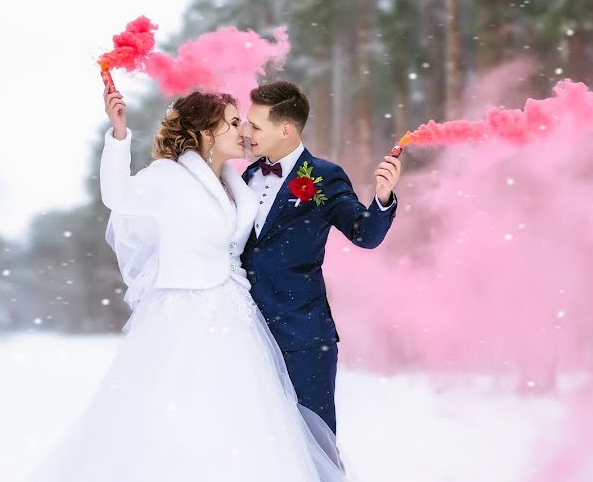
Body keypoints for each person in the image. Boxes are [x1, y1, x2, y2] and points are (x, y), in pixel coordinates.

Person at [28, 88, 347, 482]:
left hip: (238, 316)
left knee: (243, 422)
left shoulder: (239, 182)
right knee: (182, 417)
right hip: (184, 315)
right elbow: (117, 196)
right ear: (207, 132)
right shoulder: (168, 176)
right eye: (233, 122)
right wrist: (119, 136)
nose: (243, 130)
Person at [239, 81, 401, 434]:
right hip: (247, 334)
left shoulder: (322, 178)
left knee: (314, 441)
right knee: (258, 440)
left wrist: (383, 197)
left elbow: (365, 234)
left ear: (285, 129)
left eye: (255, 125)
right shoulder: (248, 175)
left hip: (302, 337)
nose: (245, 131)